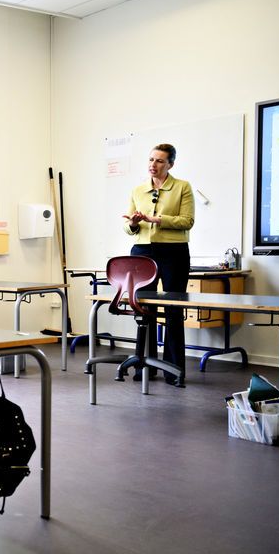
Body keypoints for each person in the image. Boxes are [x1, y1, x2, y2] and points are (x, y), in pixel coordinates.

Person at [122, 143, 194, 384]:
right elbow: (128, 227)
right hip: (142, 252)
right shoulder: (138, 190)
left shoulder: (182, 187)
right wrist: (133, 223)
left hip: (173, 252)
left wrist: (156, 219)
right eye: (151, 159)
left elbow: (187, 221)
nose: (153, 164)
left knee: (173, 309)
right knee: (143, 308)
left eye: (160, 161)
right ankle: (145, 366)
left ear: (170, 164)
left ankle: (173, 370)